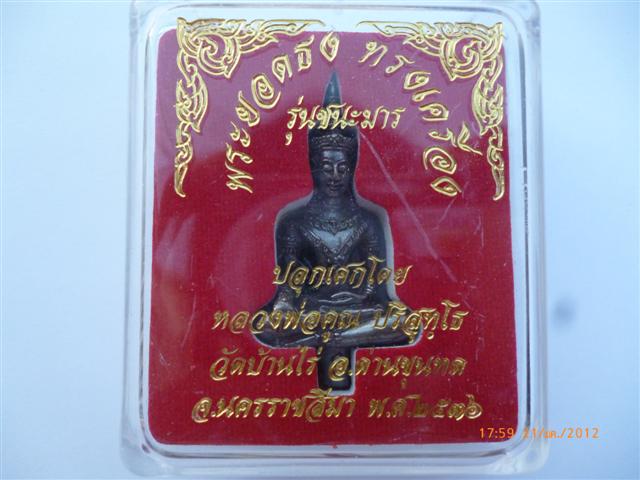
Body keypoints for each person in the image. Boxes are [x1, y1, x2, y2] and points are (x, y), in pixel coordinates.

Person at [255, 72, 419, 390]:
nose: (334, 175)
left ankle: (333, 336)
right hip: (313, 313)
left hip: (358, 312)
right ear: (313, 166)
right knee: (265, 324)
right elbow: (287, 292)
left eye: (342, 168)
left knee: (404, 323)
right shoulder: (294, 222)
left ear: (352, 167)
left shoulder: (368, 221)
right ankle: (336, 335)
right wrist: (287, 308)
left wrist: (364, 303)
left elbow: (381, 293)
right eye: (326, 167)